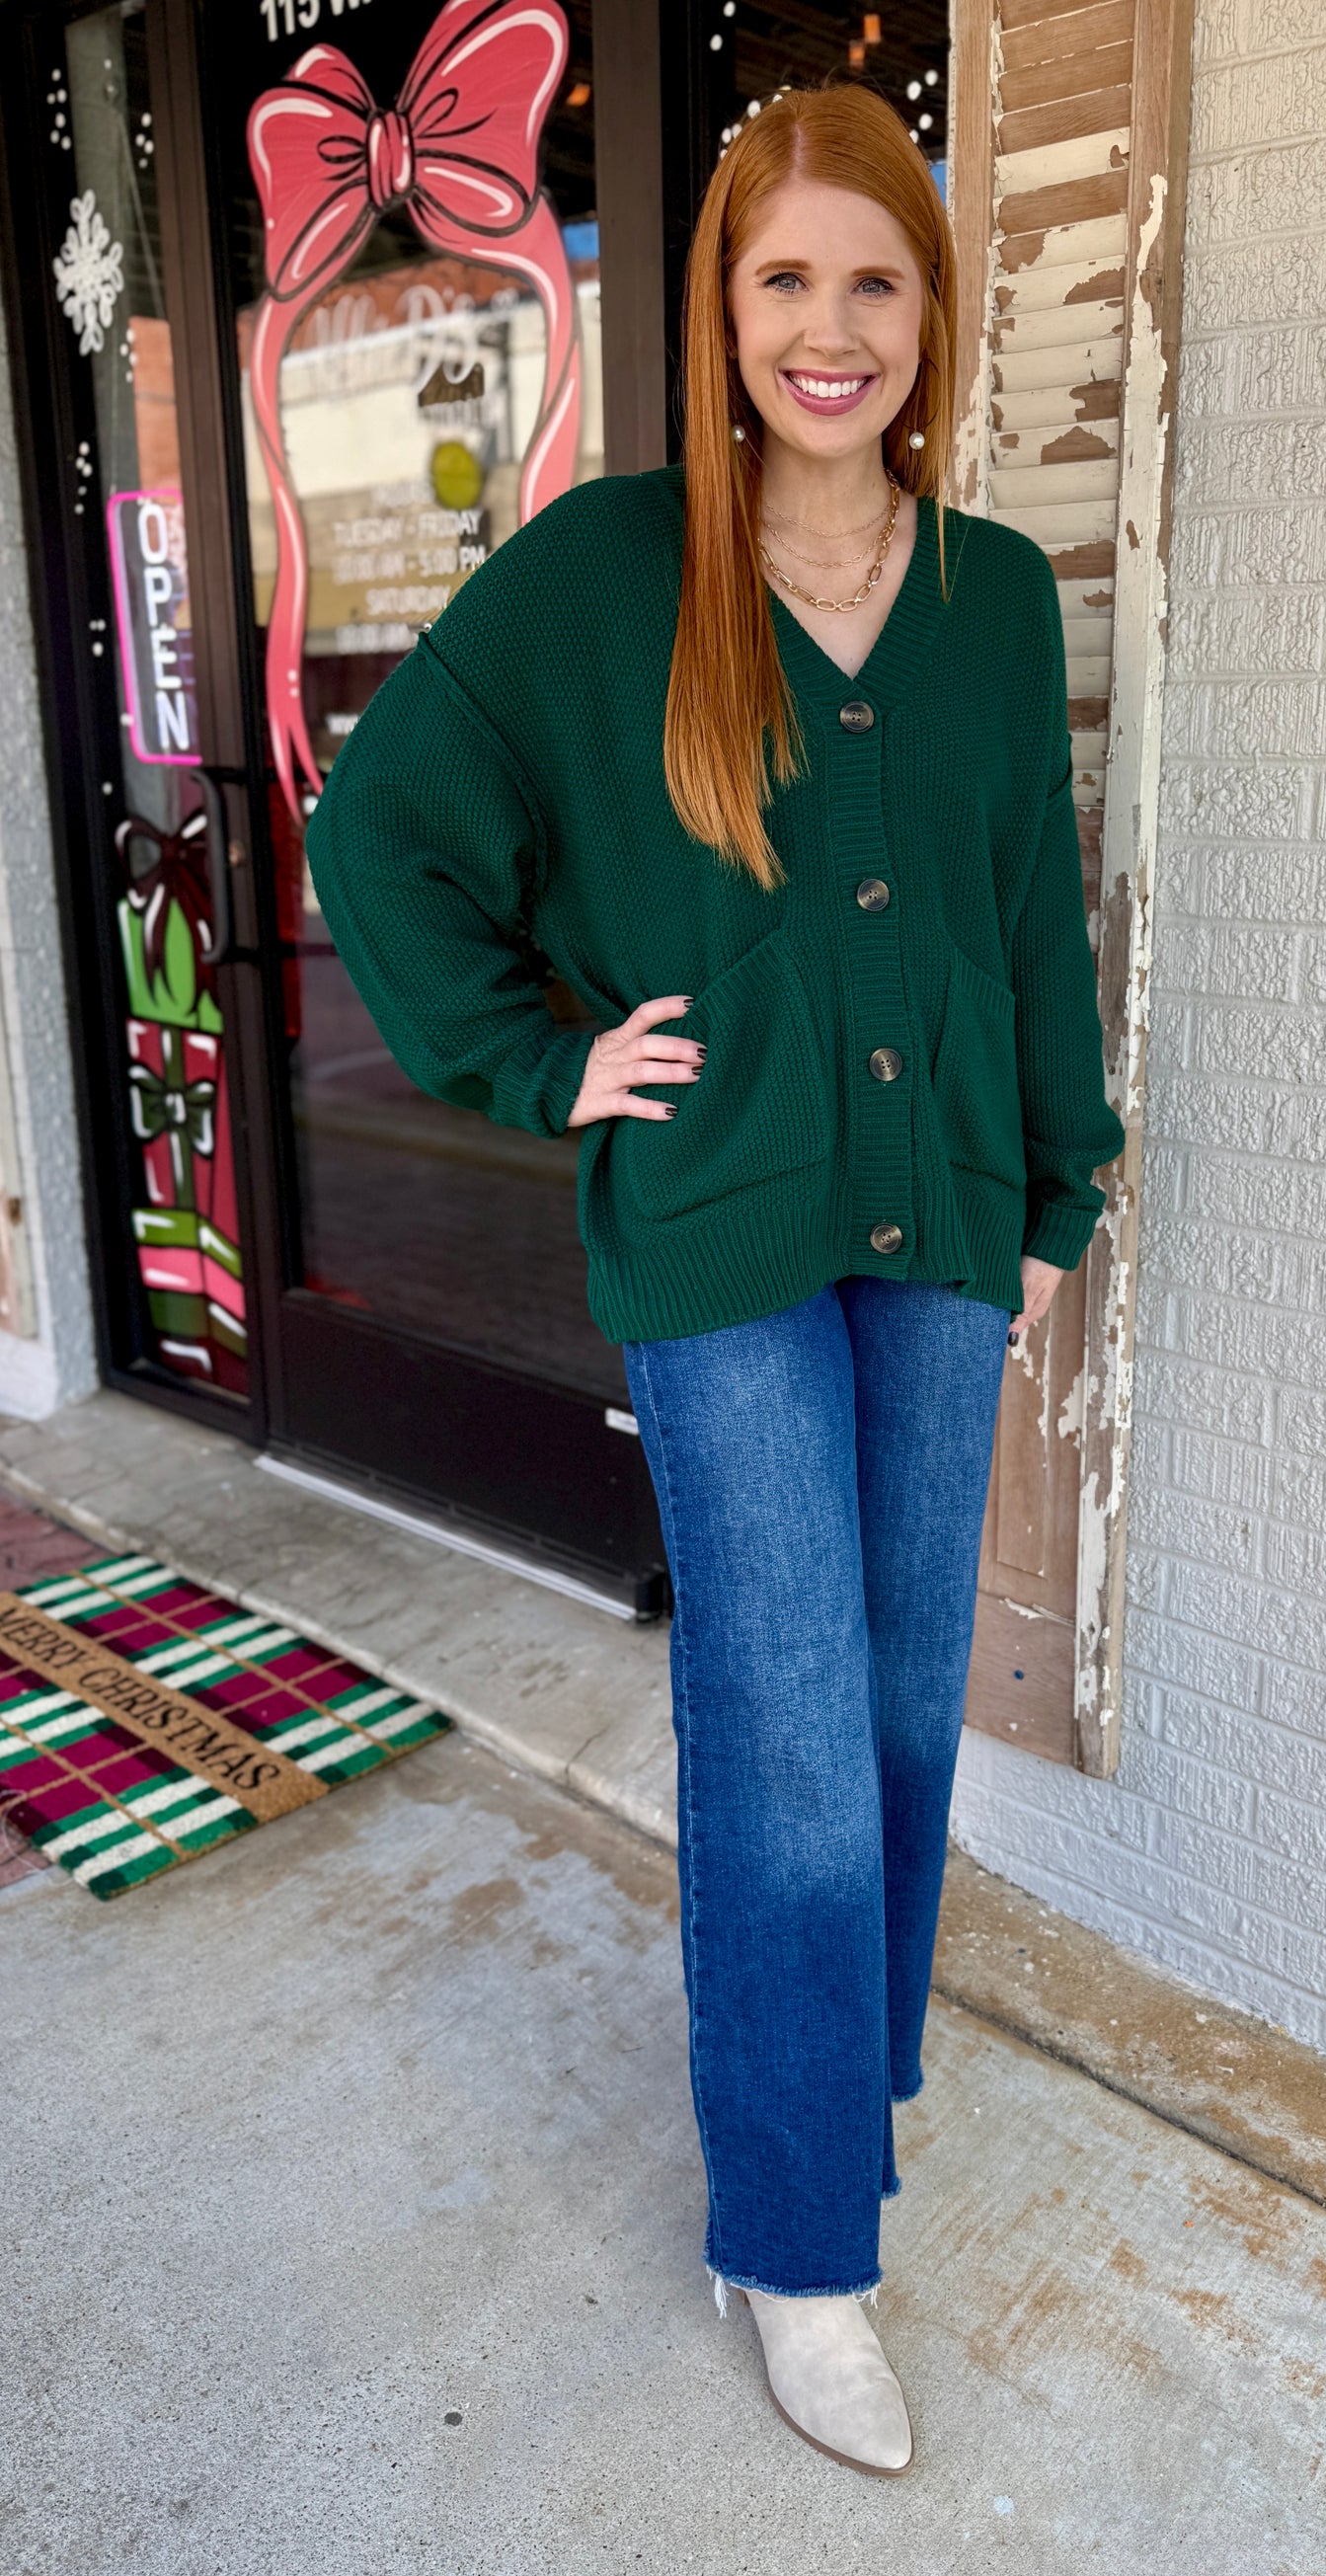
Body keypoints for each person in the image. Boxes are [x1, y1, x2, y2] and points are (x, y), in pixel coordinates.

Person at [307, 81, 1125, 2478]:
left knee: (898, 1712)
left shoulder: (992, 600)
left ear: (931, 311)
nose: (829, 328)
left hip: (945, 1225)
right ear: (722, 309)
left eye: (876, 280)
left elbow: (1027, 917)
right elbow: (384, 828)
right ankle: (796, 2242)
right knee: (782, 1734)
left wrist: (1056, 1199)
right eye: (785, 281)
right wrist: (537, 1059)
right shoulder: (609, 577)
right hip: (720, 1231)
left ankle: (832, 2094)